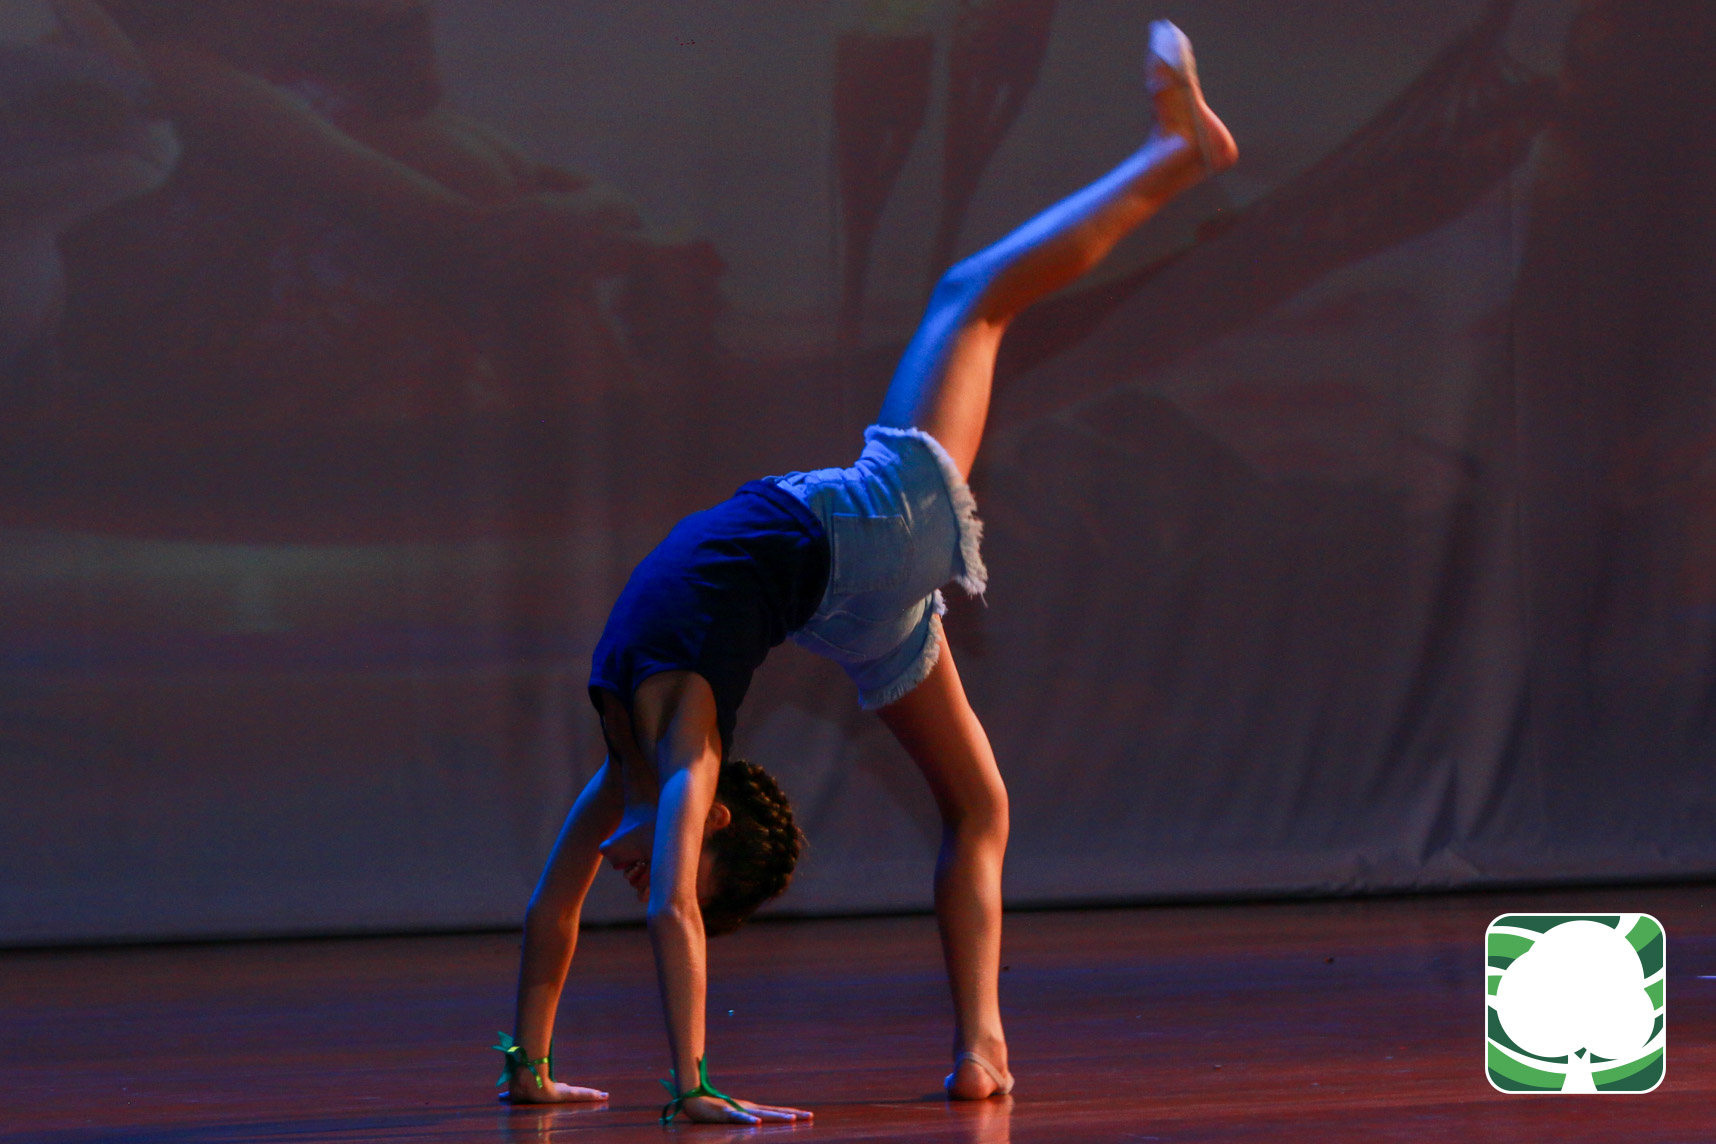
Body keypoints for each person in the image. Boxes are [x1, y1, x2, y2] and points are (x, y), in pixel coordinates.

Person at [496, 20, 1237, 1125]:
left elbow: (552, 906)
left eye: (666, 871)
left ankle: (982, 1049)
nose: (649, 877)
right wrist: (693, 1086)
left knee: (979, 803)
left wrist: (530, 1062)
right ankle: (1179, 154)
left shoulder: (626, 758)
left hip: (852, 593)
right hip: (867, 549)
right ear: (716, 823)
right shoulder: (685, 745)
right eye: (685, 866)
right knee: (972, 297)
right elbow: (663, 916)